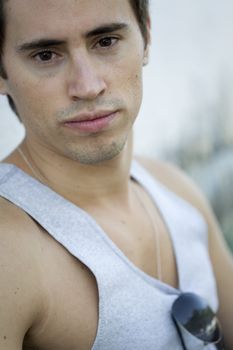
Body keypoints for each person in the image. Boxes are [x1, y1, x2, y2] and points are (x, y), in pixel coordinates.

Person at [0, 0, 232, 349]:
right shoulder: (9, 249)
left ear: (146, 37)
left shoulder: (177, 192)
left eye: (106, 41)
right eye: (46, 55)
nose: (88, 86)